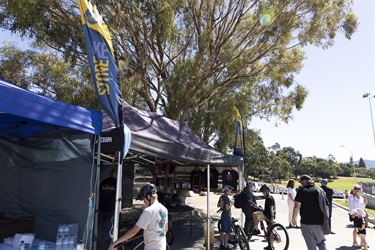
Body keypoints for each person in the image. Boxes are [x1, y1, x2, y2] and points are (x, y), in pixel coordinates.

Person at [108, 184, 168, 250]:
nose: (144, 202)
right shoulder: (164, 209)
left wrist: (115, 243)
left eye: (143, 199)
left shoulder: (148, 211)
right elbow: (165, 229)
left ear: (148, 197)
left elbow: (133, 232)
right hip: (162, 246)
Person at [292, 175, 330, 250]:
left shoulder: (301, 191)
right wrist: (326, 219)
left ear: (304, 182)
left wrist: (294, 218)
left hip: (306, 222)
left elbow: (297, 206)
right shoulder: (319, 191)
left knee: (311, 245)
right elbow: (326, 206)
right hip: (319, 222)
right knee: (321, 243)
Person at [98, 169, 117, 248]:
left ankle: (100, 240)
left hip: (102, 206)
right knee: (109, 225)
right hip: (111, 207)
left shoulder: (104, 182)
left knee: (101, 224)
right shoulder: (117, 183)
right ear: (116, 174)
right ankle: (106, 243)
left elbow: (99, 191)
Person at [259, 184, 276, 250]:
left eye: (263, 192)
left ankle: (270, 246)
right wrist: (263, 209)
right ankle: (271, 245)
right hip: (268, 215)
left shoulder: (269, 198)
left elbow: (271, 208)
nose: (263, 193)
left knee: (269, 231)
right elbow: (268, 209)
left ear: (267, 191)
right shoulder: (271, 197)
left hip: (269, 216)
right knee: (269, 230)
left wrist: (272, 217)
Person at [217, 185, 233, 250]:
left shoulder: (222, 197)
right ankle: (226, 246)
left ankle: (222, 244)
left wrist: (222, 206)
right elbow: (227, 208)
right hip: (227, 216)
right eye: (230, 190)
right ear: (226, 191)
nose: (231, 191)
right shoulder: (226, 198)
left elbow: (218, 205)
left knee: (222, 230)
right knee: (227, 232)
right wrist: (231, 204)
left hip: (223, 216)